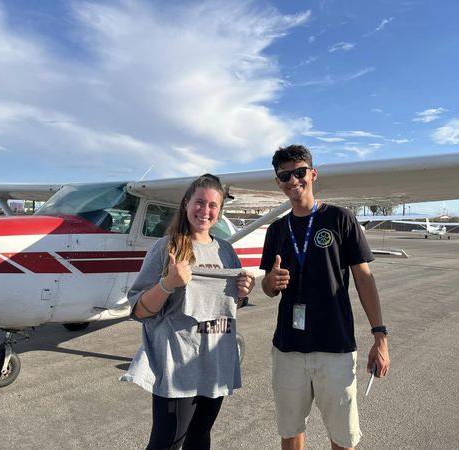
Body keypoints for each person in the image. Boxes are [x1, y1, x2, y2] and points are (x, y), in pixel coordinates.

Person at [260, 145, 390, 450]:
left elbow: (364, 278)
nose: (293, 180)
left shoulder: (340, 219)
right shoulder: (277, 230)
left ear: (313, 174)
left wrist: (380, 335)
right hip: (288, 348)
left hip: (335, 346)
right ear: (278, 182)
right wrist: (269, 282)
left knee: (343, 436)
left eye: (299, 172)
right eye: (284, 175)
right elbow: (266, 288)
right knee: (290, 430)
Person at [123, 173, 255, 450]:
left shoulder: (226, 251)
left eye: (212, 205)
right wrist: (167, 284)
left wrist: (242, 294)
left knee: (199, 438)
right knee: (166, 442)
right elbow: (139, 310)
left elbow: (227, 305)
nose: (204, 211)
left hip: (215, 360)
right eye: (199, 202)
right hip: (178, 364)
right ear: (186, 204)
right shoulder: (166, 247)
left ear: (219, 211)